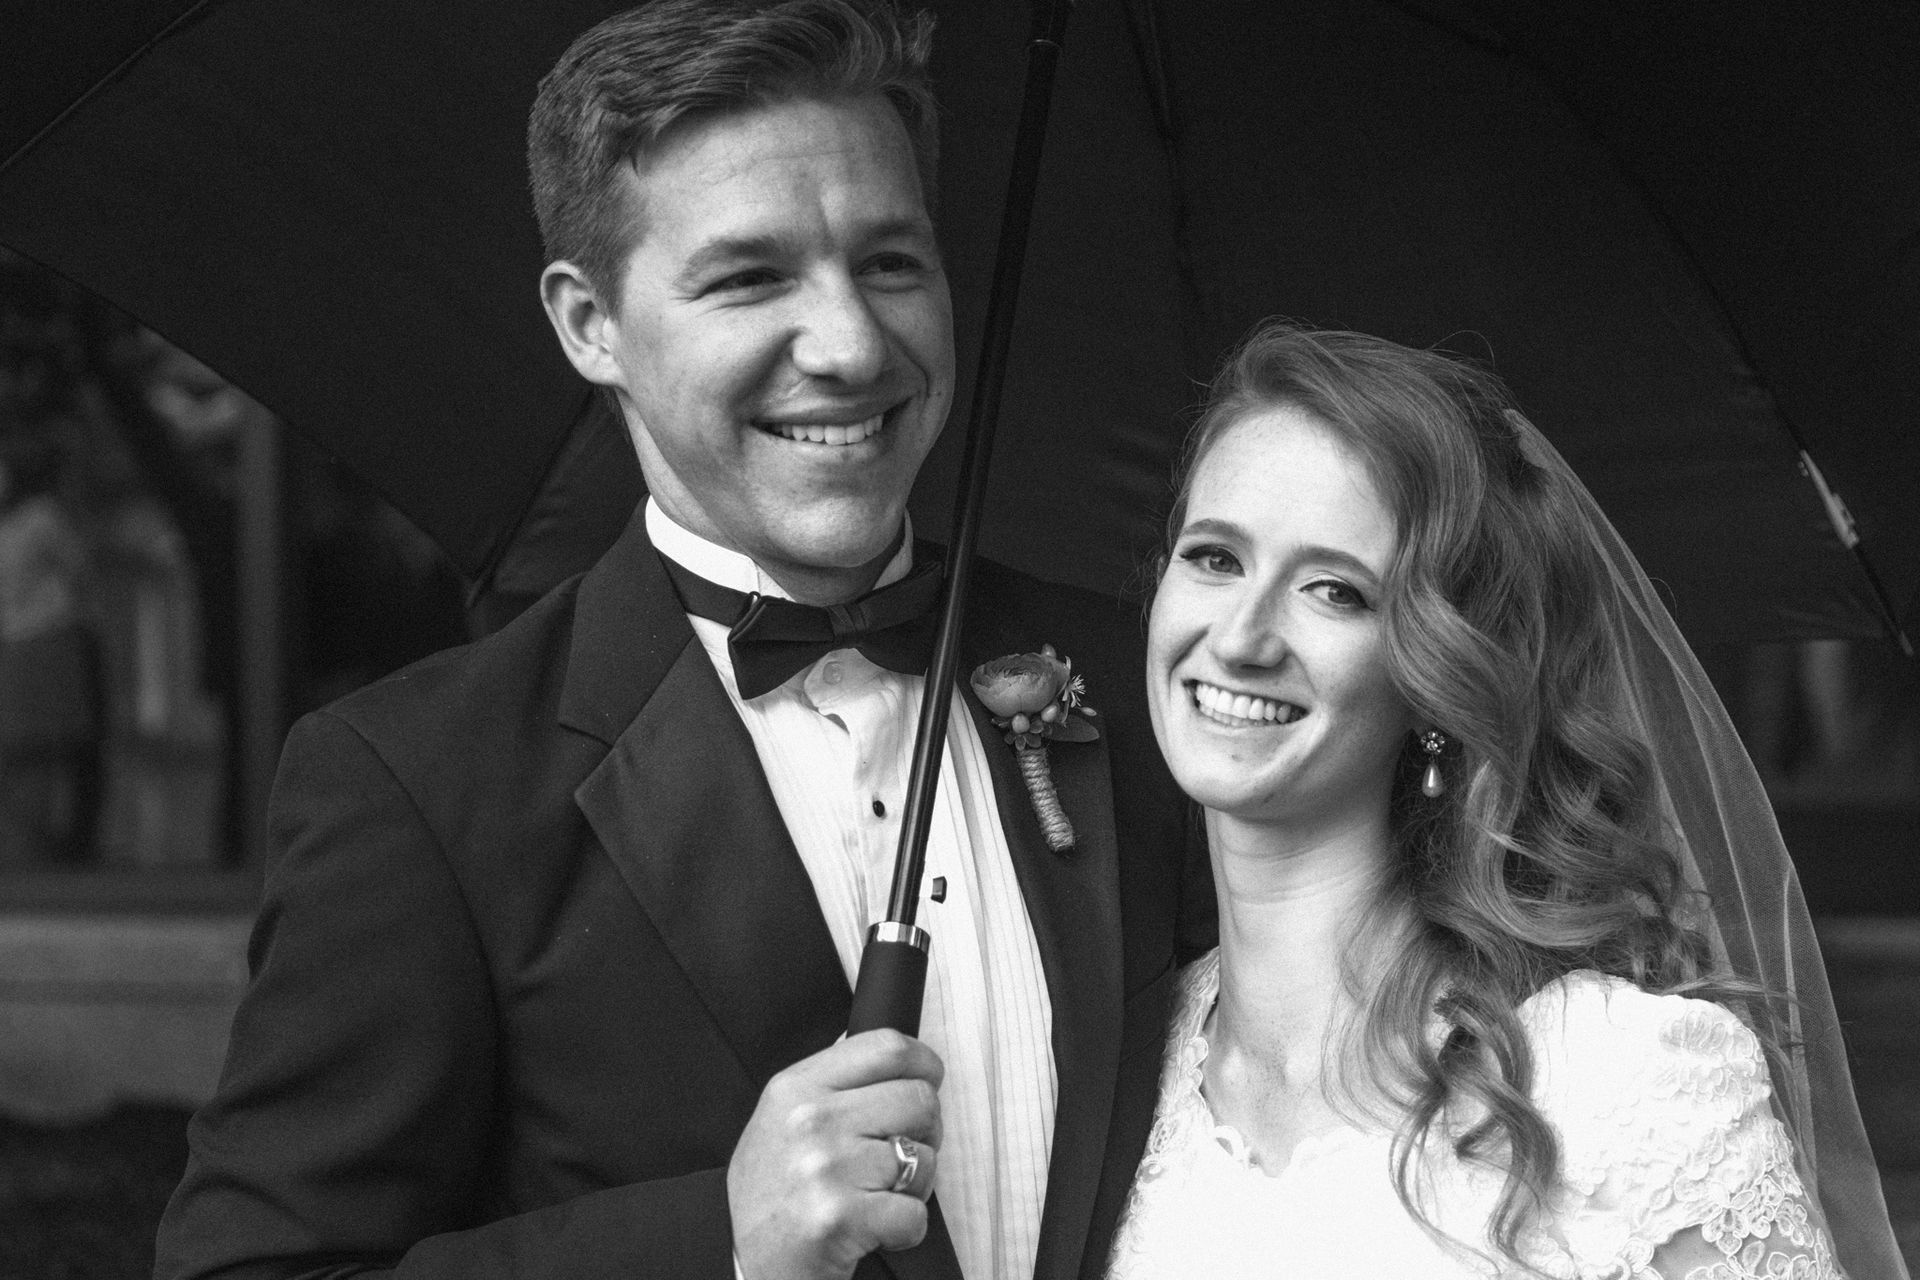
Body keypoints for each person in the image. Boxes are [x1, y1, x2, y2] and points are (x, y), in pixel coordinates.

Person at [155, 4, 1206, 1279]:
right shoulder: (417, 785)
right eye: (750, 276)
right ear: (589, 322)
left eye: (890, 262)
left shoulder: (1158, 682)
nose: (853, 345)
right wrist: (717, 1238)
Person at [1107, 322, 1907, 1278]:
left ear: (1437, 674)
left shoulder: (1633, 1087)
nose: (1241, 637)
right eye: (1215, 557)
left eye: (1335, 591)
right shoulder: (1111, 1081)